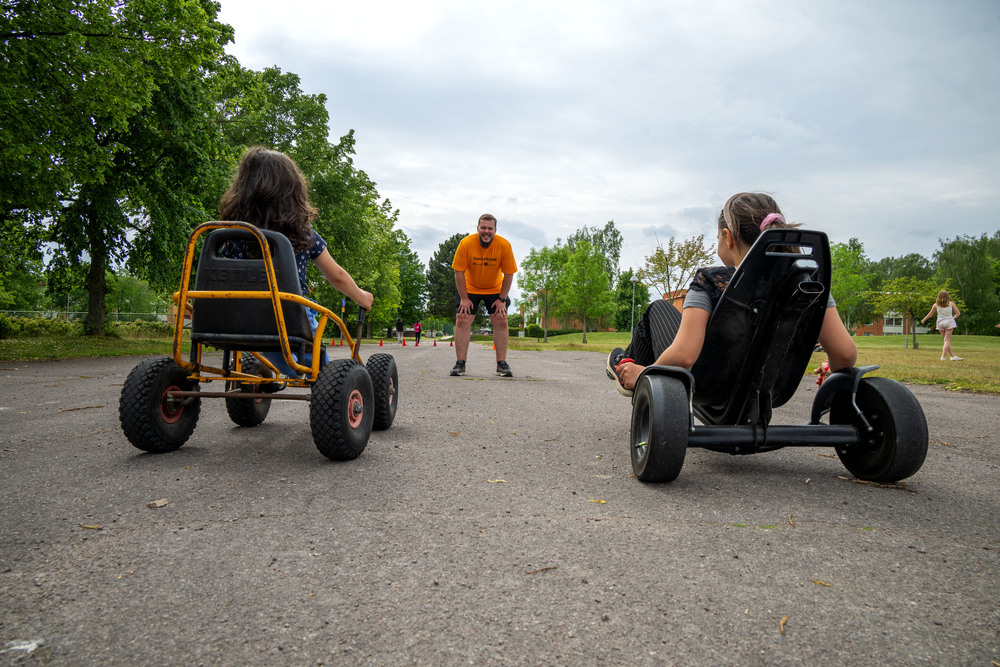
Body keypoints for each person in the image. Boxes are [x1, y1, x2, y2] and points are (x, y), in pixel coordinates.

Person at [607, 192, 857, 396]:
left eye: (717, 238)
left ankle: (626, 366)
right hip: (772, 392)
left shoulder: (710, 280)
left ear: (727, 237)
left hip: (704, 388)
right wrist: (833, 376)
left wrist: (647, 372)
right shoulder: (808, 285)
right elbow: (845, 354)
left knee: (657, 309)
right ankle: (625, 362)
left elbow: (683, 356)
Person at [218, 146, 374, 377]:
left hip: (235, 321)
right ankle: (322, 382)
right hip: (289, 324)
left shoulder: (228, 234)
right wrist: (361, 296)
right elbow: (336, 276)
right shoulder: (302, 235)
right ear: (293, 192)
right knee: (325, 374)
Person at [451, 213, 518, 377]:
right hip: (469, 287)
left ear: (495, 230)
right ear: (477, 229)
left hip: (495, 288)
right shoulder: (466, 244)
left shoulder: (504, 245)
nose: (486, 231)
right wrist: (464, 298)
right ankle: (460, 364)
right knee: (462, 318)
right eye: (483, 228)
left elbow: (509, 274)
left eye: (490, 228)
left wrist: (502, 299)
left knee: (501, 319)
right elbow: (458, 272)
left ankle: (501, 364)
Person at [921, 290, 962, 361]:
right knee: (947, 340)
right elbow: (958, 313)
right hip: (949, 322)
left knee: (946, 340)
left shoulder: (936, 305)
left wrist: (924, 319)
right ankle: (943, 356)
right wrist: (952, 318)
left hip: (940, 323)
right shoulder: (951, 304)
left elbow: (930, 314)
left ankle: (952, 356)